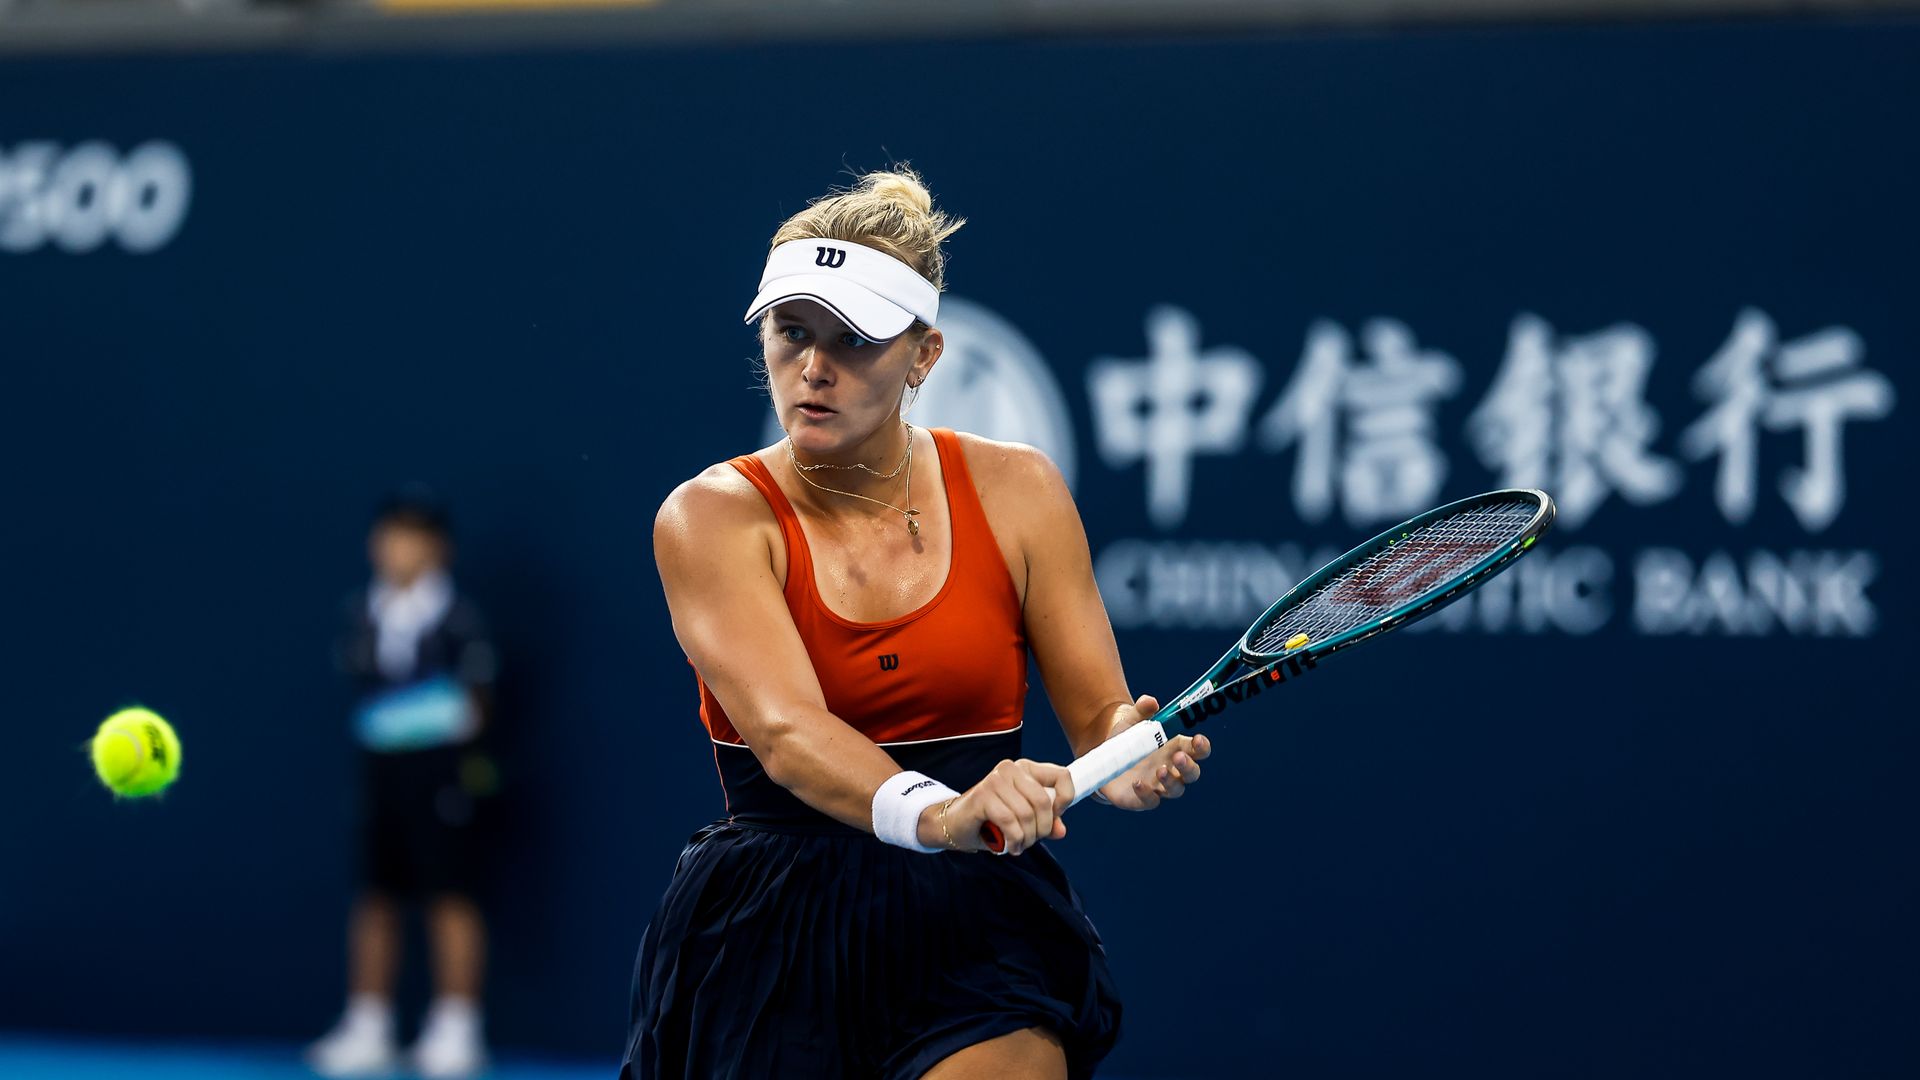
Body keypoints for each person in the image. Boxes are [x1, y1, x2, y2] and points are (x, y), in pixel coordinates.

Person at [625, 167, 1211, 1080]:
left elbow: (1099, 713)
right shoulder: (709, 517)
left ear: (925, 355)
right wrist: (943, 812)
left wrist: (1122, 755)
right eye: (791, 332)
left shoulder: (1020, 489)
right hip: (771, 925)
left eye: (854, 340)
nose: (813, 369)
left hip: (973, 919)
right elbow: (786, 733)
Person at [308, 489, 498, 1080]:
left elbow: (475, 705)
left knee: (450, 897)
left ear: (438, 548)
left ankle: (457, 1027)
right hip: (380, 778)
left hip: (442, 779)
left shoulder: (459, 620)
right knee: (376, 898)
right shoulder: (361, 613)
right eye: (389, 535)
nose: (398, 548)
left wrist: (407, 721)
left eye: (412, 536)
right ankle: (368, 1023)